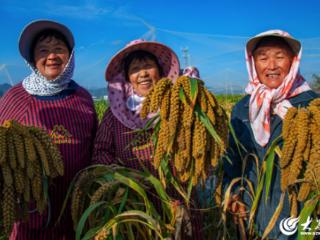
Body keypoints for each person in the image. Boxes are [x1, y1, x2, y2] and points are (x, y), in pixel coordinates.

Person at [92, 39, 203, 239]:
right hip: (136, 208)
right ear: (128, 78)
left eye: (148, 66)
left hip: (180, 203)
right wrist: (120, 177)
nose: (142, 73)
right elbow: (101, 152)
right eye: (135, 69)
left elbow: (199, 143)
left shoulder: (179, 104)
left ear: (159, 71)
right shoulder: (115, 114)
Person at [0, 19, 97, 239]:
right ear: (33, 60)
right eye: (43, 51)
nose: (51, 56)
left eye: (59, 50)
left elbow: (94, 147)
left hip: (76, 211)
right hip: (30, 216)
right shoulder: (16, 98)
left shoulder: (82, 97)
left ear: (70, 56)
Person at [223, 30, 319, 239]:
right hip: (254, 215)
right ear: (253, 63)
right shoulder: (243, 108)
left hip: (301, 214)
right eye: (263, 57)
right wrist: (232, 193)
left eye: (280, 56)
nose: (272, 65)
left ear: (293, 61)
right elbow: (233, 160)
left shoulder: (311, 105)